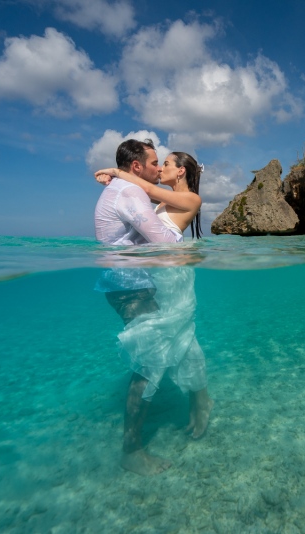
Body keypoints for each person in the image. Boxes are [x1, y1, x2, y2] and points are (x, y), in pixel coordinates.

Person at [94, 142, 212, 476]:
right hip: (157, 279)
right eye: (155, 163)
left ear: (181, 171)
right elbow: (142, 202)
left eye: (166, 164)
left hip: (170, 277)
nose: (159, 169)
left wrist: (117, 172)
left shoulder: (189, 198)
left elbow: (144, 189)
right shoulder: (154, 197)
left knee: (179, 340)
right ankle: (199, 400)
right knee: (173, 344)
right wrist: (122, 177)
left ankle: (200, 400)